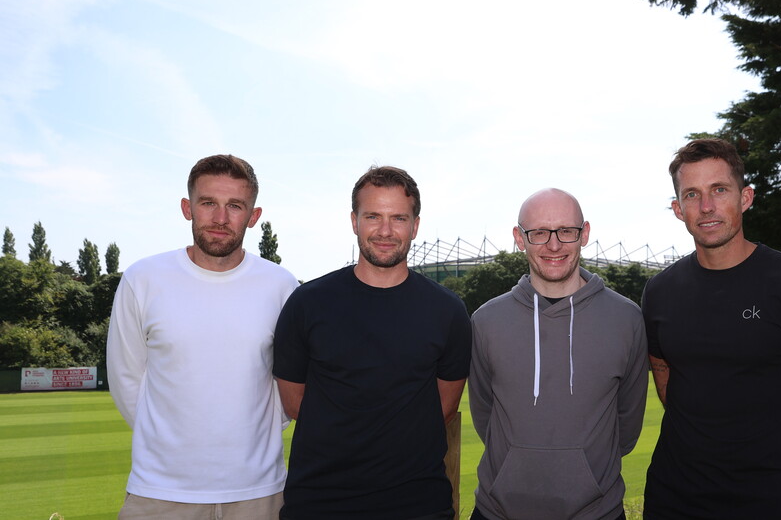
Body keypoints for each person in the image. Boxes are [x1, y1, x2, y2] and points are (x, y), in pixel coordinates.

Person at [641, 138, 781, 519]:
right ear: (678, 209)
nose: (706, 207)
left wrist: (773, 478)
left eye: (719, 190)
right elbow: (667, 386)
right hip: (671, 501)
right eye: (692, 194)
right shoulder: (659, 291)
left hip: (768, 506)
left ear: (746, 197)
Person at [107, 154, 300, 519]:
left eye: (235, 206)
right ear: (187, 207)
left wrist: (248, 441)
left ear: (254, 216)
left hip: (259, 493)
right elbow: (126, 380)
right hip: (160, 493)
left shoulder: (282, 285)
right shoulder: (143, 278)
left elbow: (287, 386)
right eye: (208, 203)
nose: (221, 218)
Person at [273, 166, 471, 520]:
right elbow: (294, 401)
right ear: (354, 221)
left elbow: (442, 406)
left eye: (398, 218)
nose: (385, 231)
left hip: (418, 506)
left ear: (415, 225)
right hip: (319, 506)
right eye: (372, 216)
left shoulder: (448, 311)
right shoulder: (307, 303)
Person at [469, 188, 649, 520]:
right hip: (498, 513)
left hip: (598, 514)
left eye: (566, 231)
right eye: (539, 233)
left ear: (585, 234)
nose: (554, 245)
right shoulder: (485, 321)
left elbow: (627, 424)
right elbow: (485, 415)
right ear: (519, 239)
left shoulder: (626, 318)